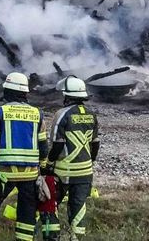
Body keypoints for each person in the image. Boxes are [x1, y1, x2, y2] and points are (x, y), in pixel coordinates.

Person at [0, 72, 47, 241]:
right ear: (25, 93)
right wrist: (42, 169)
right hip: (30, 174)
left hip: (4, 173)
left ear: (7, 91)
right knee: (27, 211)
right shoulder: (37, 114)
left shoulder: (0, 113)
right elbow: (43, 146)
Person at [43, 76, 100, 240]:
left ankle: (52, 236)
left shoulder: (61, 114)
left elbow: (57, 144)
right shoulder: (91, 115)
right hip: (85, 172)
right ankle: (76, 237)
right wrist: (90, 161)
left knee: (50, 202)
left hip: (64, 172)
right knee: (79, 207)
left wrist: (48, 164)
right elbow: (95, 143)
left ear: (67, 96)